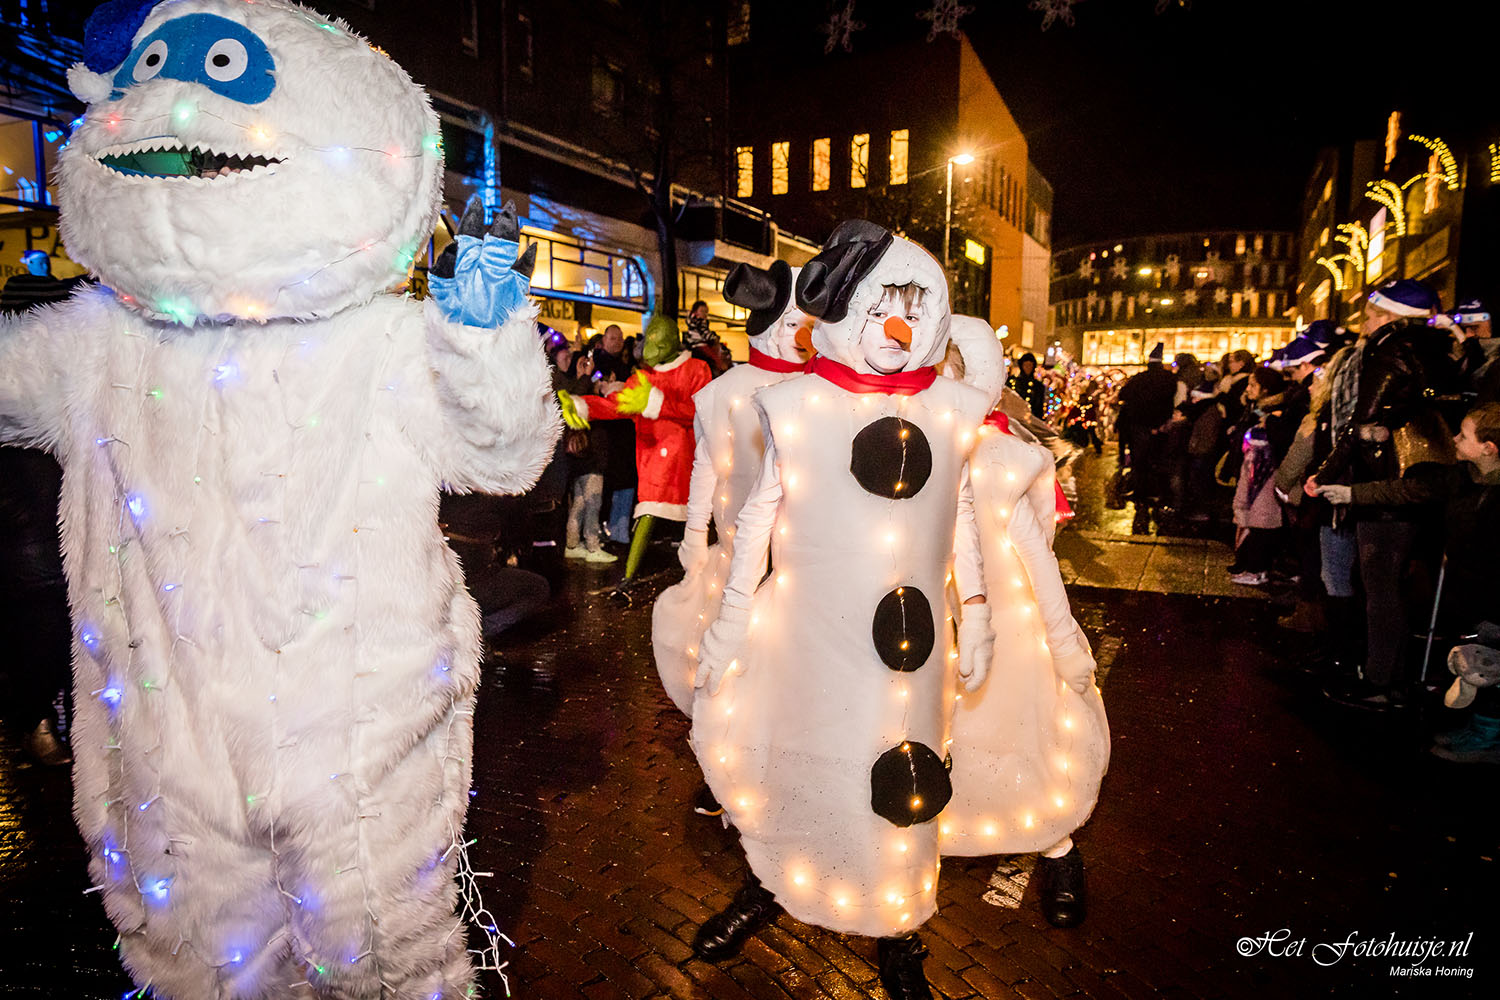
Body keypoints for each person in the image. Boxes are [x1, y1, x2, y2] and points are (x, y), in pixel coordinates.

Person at [0, 2, 560, 994]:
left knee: (382, 953)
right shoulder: (91, 347)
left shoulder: (383, 343)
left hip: (356, 731)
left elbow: (507, 454)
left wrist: (486, 338)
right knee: (196, 959)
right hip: (166, 746)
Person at [689, 221, 995, 1000]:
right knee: (799, 761)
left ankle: (899, 929)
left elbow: (961, 511)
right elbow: (758, 515)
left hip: (912, 648)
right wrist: (730, 620)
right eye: (880, 310)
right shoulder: (795, 405)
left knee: (905, 782)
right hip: (812, 634)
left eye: (913, 313)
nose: (897, 331)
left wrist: (978, 609)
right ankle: (772, 882)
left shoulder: (951, 410)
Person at [941, 318, 1108, 930]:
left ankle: (1056, 844)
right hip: (929, 623)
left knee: (1019, 733)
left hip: (1006, 621)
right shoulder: (907, 448)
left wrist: (1063, 641)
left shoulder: (1005, 457)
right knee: (941, 735)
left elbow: (1039, 556)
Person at [1309, 278, 1461, 709]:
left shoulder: (1390, 350)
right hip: (1426, 478)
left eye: (1372, 315)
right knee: (1394, 587)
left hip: (1389, 481)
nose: (1365, 323)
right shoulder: (1438, 348)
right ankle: (1390, 674)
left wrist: (1325, 473)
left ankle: (1380, 681)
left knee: (1379, 588)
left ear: (1392, 317)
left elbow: (1361, 423)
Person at [1318, 404, 1500, 755]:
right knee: (1483, 661)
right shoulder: (1462, 477)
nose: (1454, 439)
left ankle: (1486, 740)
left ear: (1489, 448)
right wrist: (1350, 493)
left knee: (1490, 664)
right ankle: (1481, 731)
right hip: (1475, 589)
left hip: (1493, 593)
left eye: (1464, 435)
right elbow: (1407, 489)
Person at [560, 313, 712, 593]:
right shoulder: (643, 378)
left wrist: (658, 403)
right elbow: (615, 405)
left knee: (694, 520)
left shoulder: (696, 370)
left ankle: (699, 575)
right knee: (649, 512)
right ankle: (629, 577)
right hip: (652, 462)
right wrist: (584, 406)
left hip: (686, 463)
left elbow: (700, 412)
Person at [1229, 367, 1292, 585]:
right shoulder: (1255, 410)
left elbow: (1276, 444)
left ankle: (1258, 568)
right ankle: (1246, 562)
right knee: (1249, 519)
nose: (1248, 389)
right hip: (1251, 473)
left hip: (1263, 476)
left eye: (1253, 385)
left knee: (1261, 521)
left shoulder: (1274, 414)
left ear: (1266, 389)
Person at [1115, 342, 1178, 533]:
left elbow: (1123, 395)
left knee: (1140, 464)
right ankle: (1160, 497)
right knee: (1159, 463)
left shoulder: (1139, 379)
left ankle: (1141, 496)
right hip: (1160, 429)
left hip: (1139, 428)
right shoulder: (1169, 380)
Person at [0, 249, 76, 313]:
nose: (46, 267)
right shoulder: (16, 283)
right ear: (30, 264)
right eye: (41, 263)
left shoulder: (57, 284)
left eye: (47, 263)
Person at [684, 299, 734, 376]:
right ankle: (721, 369)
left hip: (693, 345)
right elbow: (705, 333)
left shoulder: (692, 321)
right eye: (702, 311)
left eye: (706, 311)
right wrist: (714, 337)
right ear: (695, 311)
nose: (704, 314)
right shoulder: (699, 321)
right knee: (715, 357)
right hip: (700, 344)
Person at [1007, 352, 1047, 418]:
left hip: (1030, 418)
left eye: (1030, 365)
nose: (1028, 368)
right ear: (1021, 366)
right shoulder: (1013, 381)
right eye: (1025, 365)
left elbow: (1039, 407)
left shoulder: (1038, 386)